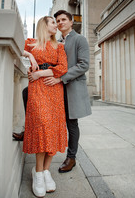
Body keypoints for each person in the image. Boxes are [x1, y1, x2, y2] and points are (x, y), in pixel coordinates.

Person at [22, 16, 68, 197]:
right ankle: (38, 173)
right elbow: (17, 45)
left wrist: (40, 73)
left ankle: (46, 171)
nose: (56, 26)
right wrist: (30, 55)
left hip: (53, 88)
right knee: (41, 126)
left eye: (57, 23)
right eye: (53, 23)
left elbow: (63, 67)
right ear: (44, 25)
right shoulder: (32, 43)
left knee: (53, 129)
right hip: (37, 90)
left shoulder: (60, 46)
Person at [44, 10, 92, 173]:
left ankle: (71, 158)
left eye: (64, 19)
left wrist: (61, 78)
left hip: (72, 88)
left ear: (71, 22)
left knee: (72, 123)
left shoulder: (80, 39)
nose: (60, 22)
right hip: (55, 87)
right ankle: (27, 131)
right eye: (57, 20)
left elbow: (83, 65)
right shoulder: (55, 42)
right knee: (28, 95)